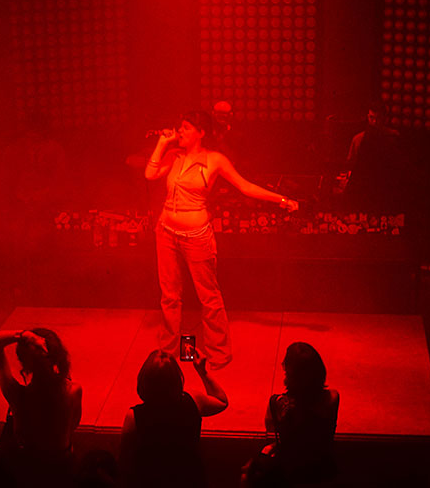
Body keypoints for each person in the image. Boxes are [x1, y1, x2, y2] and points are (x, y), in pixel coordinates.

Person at [145, 111, 298, 369]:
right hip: (166, 232)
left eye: (186, 127)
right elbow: (150, 174)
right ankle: (168, 352)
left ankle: (219, 352)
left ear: (201, 132)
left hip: (196, 236)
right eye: (180, 127)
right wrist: (162, 143)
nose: (180, 131)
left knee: (209, 296)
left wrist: (281, 199)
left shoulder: (215, 160)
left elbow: (245, 186)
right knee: (169, 295)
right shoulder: (174, 155)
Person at [119, 349, 228, 488]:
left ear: (144, 380)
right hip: (189, 480)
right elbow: (221, 401)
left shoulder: (134, 416)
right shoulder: (195, 400)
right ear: (177, 378)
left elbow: (124, 459)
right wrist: (202, 372)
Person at [0, 328, 82, 486]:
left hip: (27, 472)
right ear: (57, 356)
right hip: (62, 471)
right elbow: (74, 425)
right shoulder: (73, 391)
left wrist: (24, 335)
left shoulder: (17, 395)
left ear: (23, 362)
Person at [244, 342, 340, 487]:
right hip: (323, 468)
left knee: (250, 471)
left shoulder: (277, 403)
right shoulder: (333, 398)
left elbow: (271, 438)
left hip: (291, 473)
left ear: (289, 373)